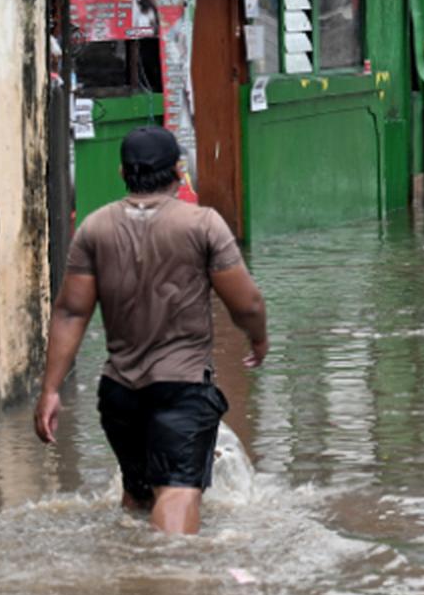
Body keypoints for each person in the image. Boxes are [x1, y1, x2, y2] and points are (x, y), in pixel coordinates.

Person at [33, 126, 267, 536]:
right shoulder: (203, 225)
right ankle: (165, 587)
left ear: (124, 173)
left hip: (119, 395)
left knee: (139, 496)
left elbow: (70, 312)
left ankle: (128, 586)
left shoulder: (94, 228)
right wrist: (258, 338)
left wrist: (50, 390)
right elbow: (246, 303)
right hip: (182, 390)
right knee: (178, 491)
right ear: (179, 171)